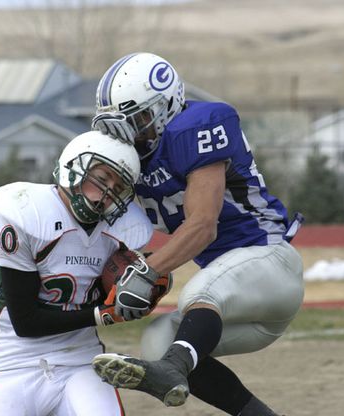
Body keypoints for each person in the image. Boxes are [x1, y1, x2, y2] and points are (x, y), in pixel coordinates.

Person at [90, 52, 305, 416]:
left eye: (139, 118)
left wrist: (146, 271)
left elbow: (203, 225)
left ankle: (173, 369)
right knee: (159, 344)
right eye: (121, 123)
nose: (131, 132)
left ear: (167, 104)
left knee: (199, 291)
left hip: (270, 263)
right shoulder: (130, 161)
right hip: (233, 300)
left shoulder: (194, 127)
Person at [0, 130, 156, 416]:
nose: (108, 193)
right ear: (75, 167)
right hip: (15, 359)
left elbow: (129, 277)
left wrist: (148, 280)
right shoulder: (25, 211)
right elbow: (26, 322)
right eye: (102, 178)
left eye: (118, 186)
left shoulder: (124, 231)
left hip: (80, 360)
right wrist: (104, 313)